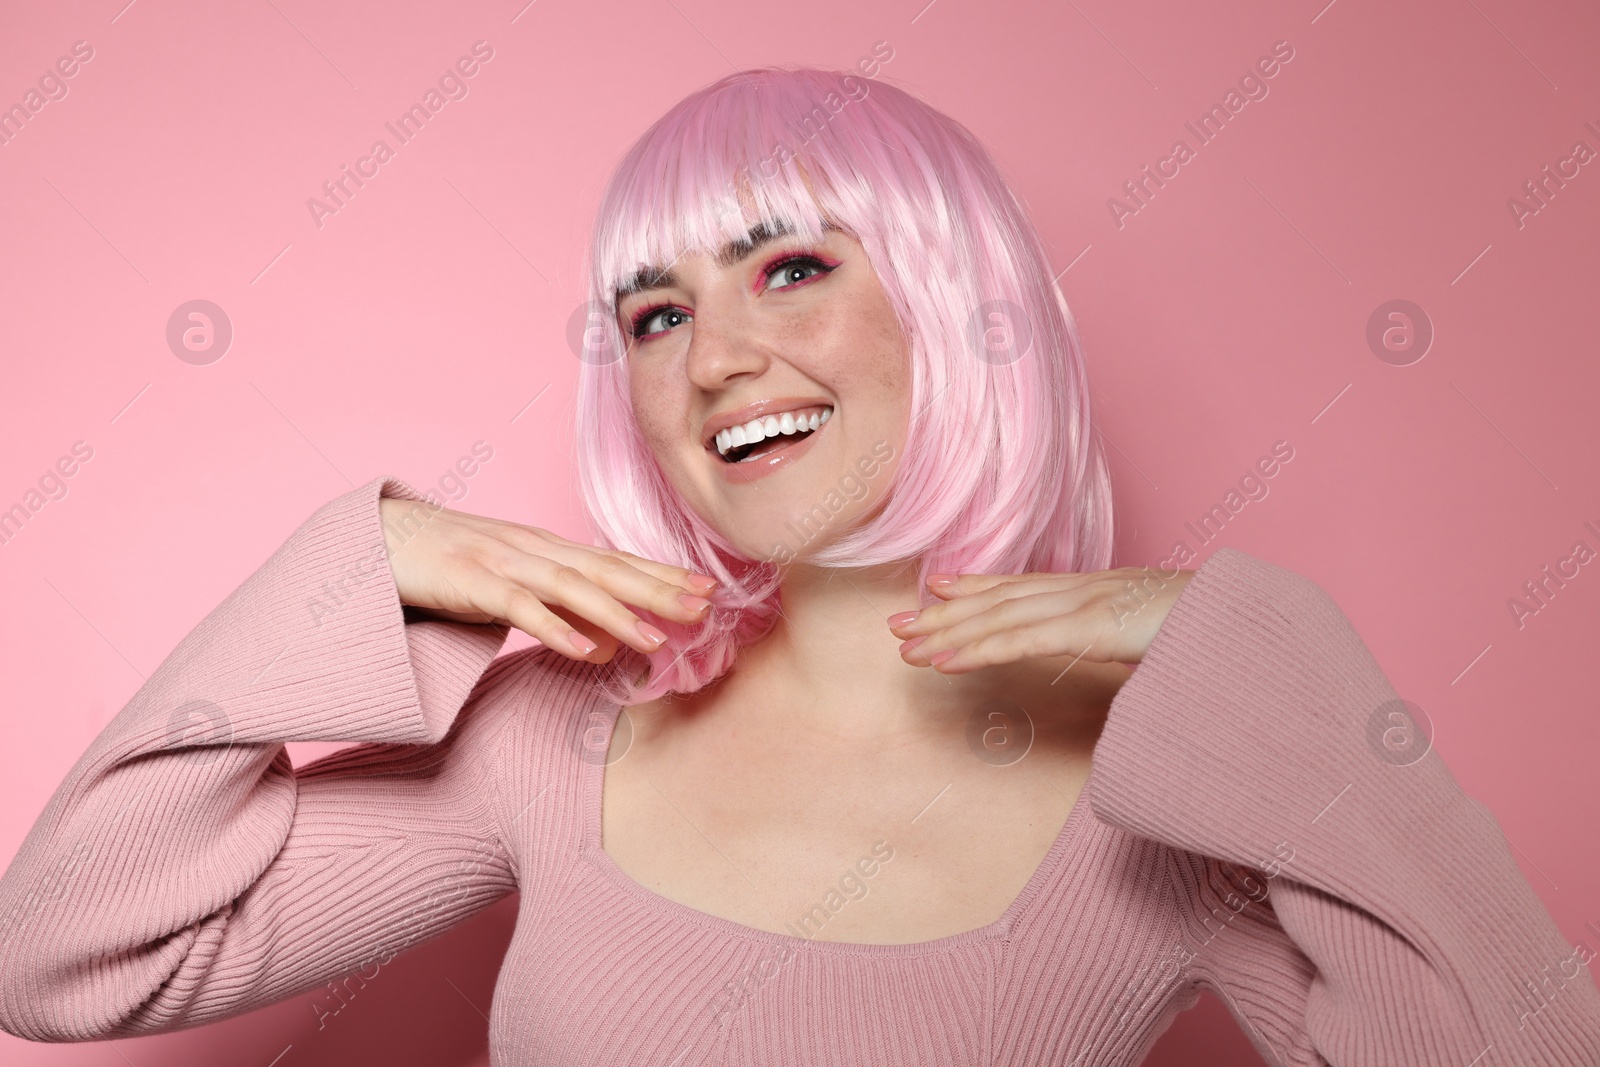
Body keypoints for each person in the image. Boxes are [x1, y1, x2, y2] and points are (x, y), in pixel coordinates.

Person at [1, 65, 1597, 1067]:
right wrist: (356, 574)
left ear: (954, 304)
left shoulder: (1174, 794)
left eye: (791, 267)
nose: (714, 360)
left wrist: (1276, 668)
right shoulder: (554, 735)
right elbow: (65, 961)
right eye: (656, 312)